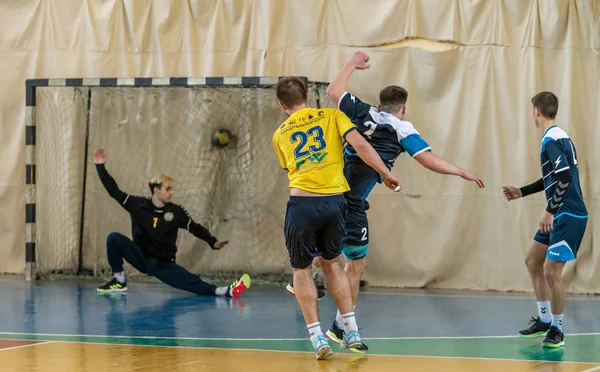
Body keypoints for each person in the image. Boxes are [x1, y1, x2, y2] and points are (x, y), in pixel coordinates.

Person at [286, 51, 484, 344]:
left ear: (380, 104)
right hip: (350, 205)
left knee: (330, 256)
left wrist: (352, 63)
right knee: (354, 264)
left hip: (328, 195)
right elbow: (427, 159)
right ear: (403, 109)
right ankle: (342, 327)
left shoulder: (362, 111)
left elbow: (333, 91)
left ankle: (312, 279)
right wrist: (460, 172)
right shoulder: (402, 129)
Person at [272, 77, 402, 359]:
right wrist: (387, 174)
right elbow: (364, 148)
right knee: (333, 265)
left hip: (302, 203)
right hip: (335, 202)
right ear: (307, 94)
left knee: (302, 269)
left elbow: (289, 169)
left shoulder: (280, 133)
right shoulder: (333, 116)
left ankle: (318, 338)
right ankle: (351, 330)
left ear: (282, 105)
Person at [93, 148, 250, 299]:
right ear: (156, 191)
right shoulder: (137, 205)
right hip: (141, 258)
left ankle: (226, 291)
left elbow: (195, 228)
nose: (171, 193)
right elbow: (113, 190)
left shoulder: (176, 212)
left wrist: (212, 242)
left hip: (163, 264)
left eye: (171, 189)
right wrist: (100, 167)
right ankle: (119, 282)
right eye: (168, 189)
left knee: (191, 282)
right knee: (113, 239)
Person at [503, 91, 587, 348]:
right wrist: (522, 192)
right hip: (560, 211)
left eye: (531, 111)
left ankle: (557, 330)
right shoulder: (559, 137)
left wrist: (550, 210)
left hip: (568, 214)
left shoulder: (551, 139)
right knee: (533, 260)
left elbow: (564, 178)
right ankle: (543, 318)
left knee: (551, 271)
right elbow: (554, 176)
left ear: (536, 112)